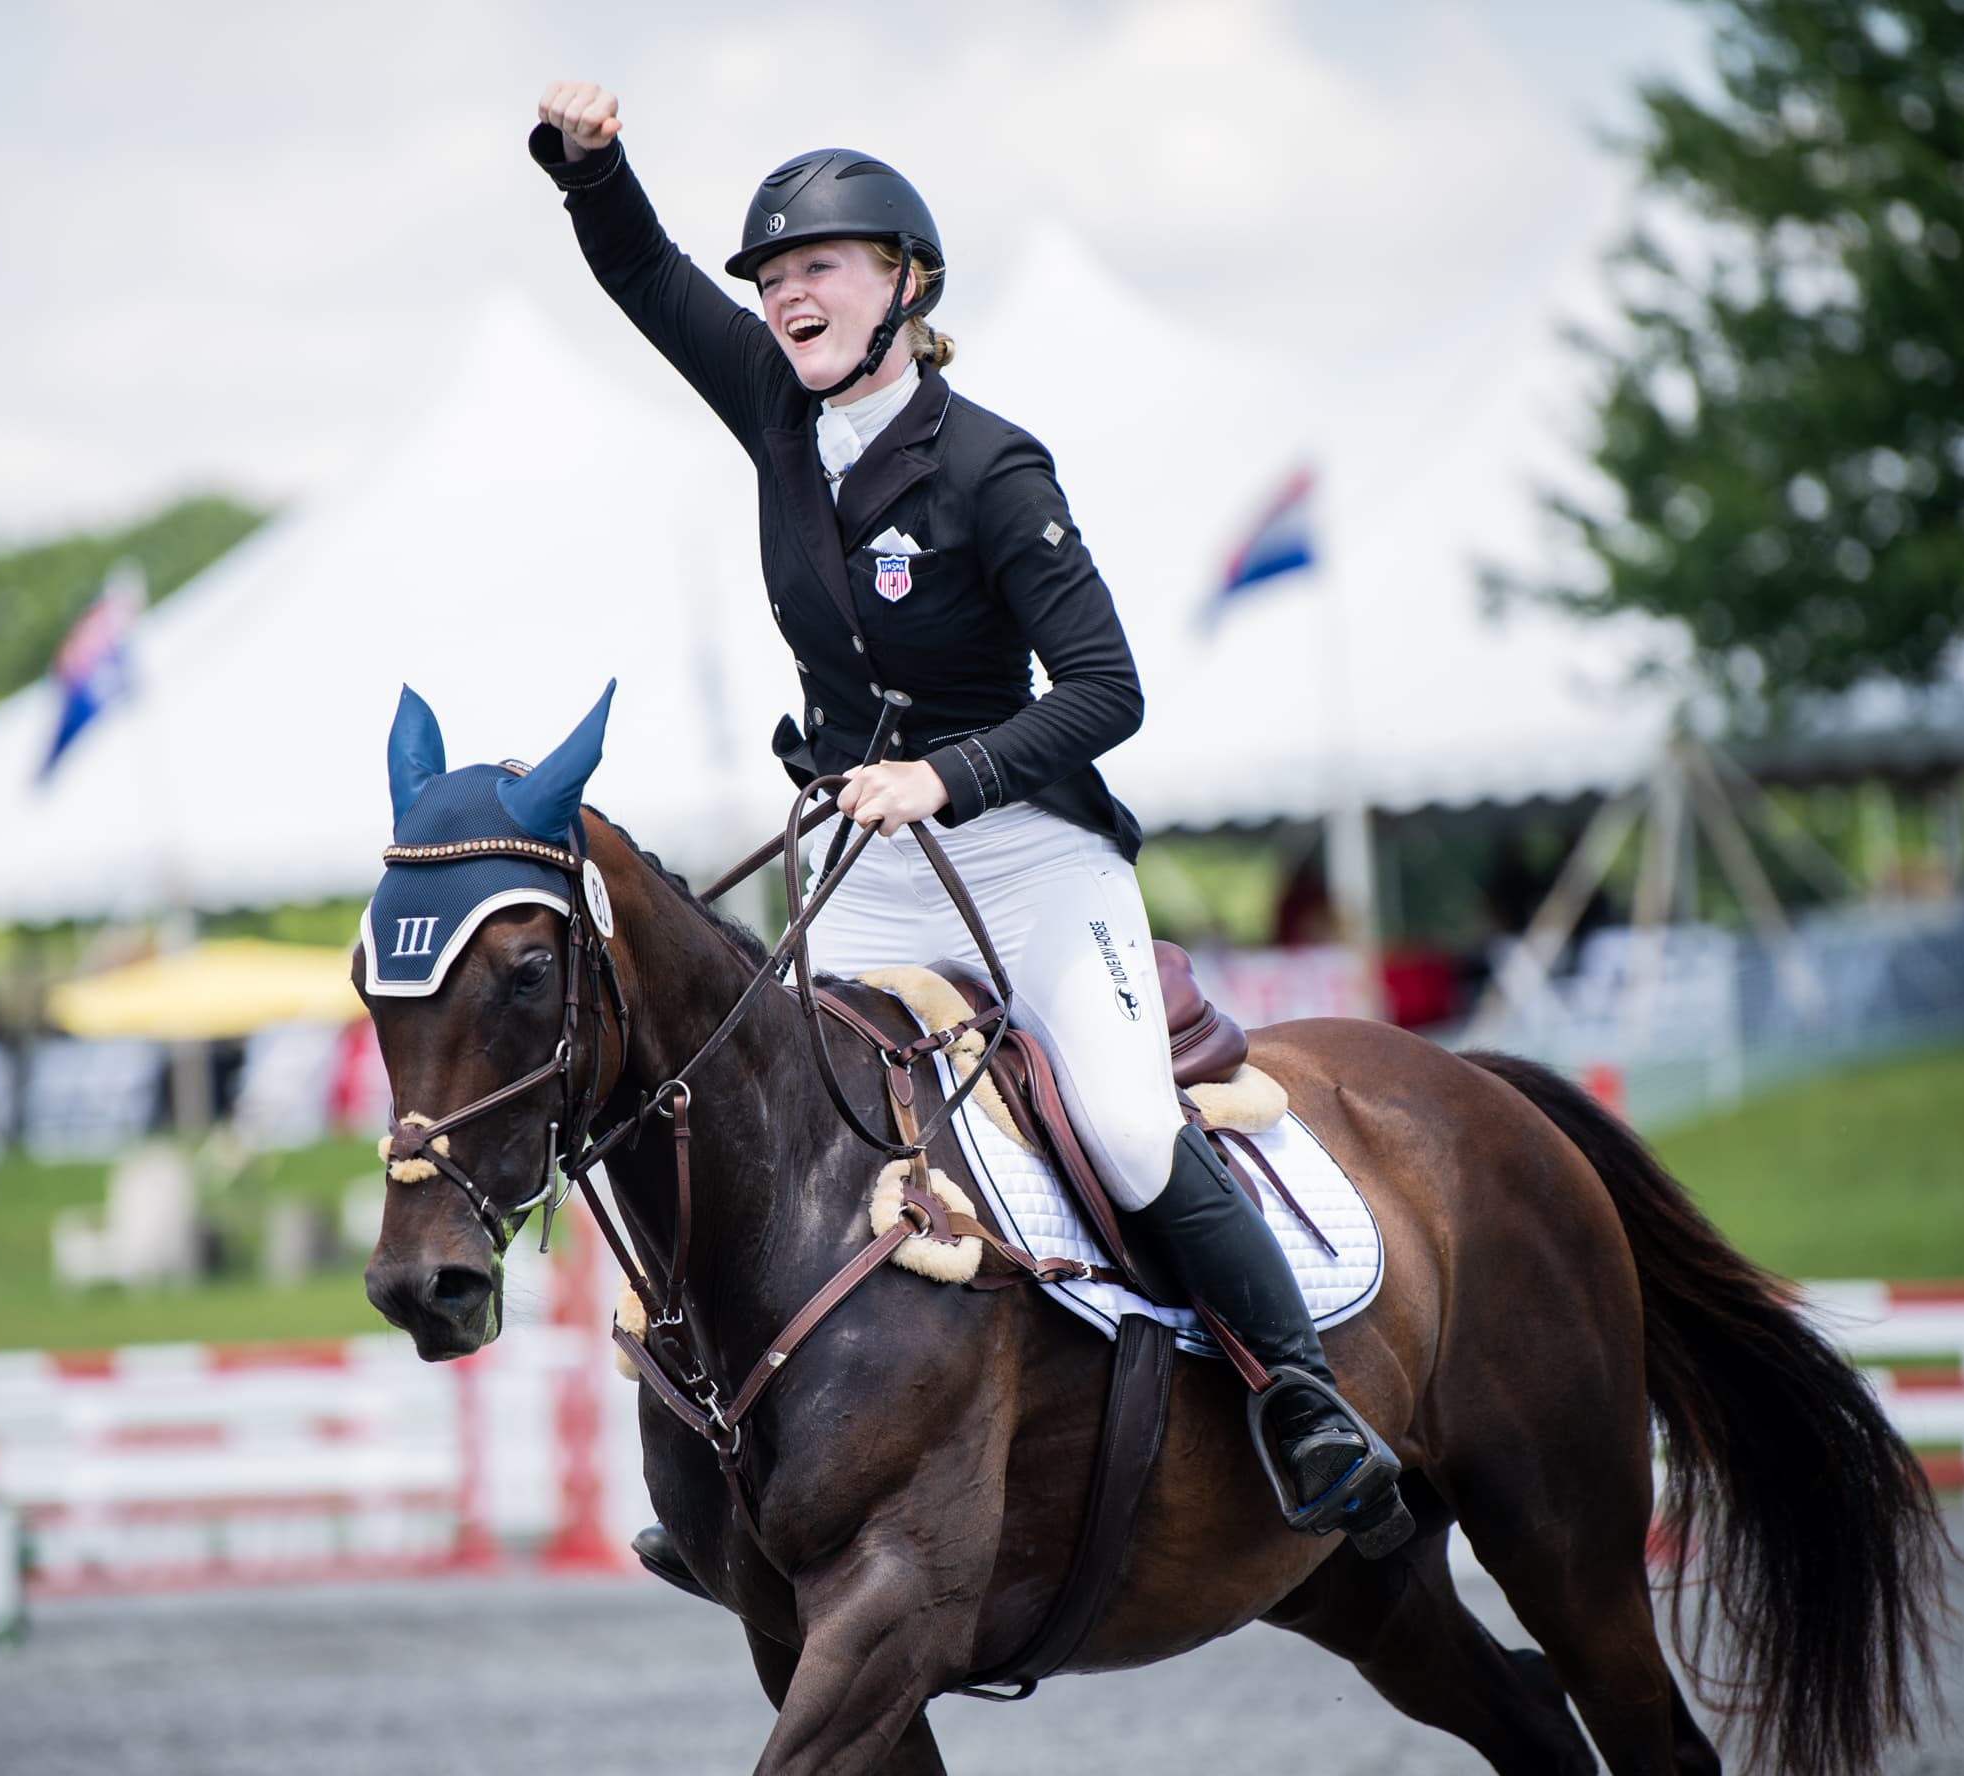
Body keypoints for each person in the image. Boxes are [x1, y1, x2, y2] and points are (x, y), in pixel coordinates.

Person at [529, 81, 1407, 1559]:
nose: (783, 293)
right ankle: (733, 1451)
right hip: (865, 869)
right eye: (771, 277)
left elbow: (1107, 690)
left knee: (1126, 1124)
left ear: (904, 285)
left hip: (1026, 855)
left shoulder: (994, 467)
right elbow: (642, 274)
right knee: (771, 1115)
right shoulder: (768, 403)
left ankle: (1303, 1402)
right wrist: (593, 171)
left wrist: (950, 775)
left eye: (816, 266)